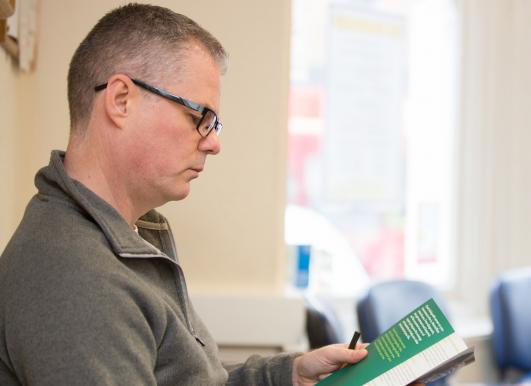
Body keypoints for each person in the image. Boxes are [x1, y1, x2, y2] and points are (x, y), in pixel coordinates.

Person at [0, 4, 424, 386]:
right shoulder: (76, 278)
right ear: (121, 100)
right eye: (199, 116)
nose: (212, 143)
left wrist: (290, 376)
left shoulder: (128, 236)